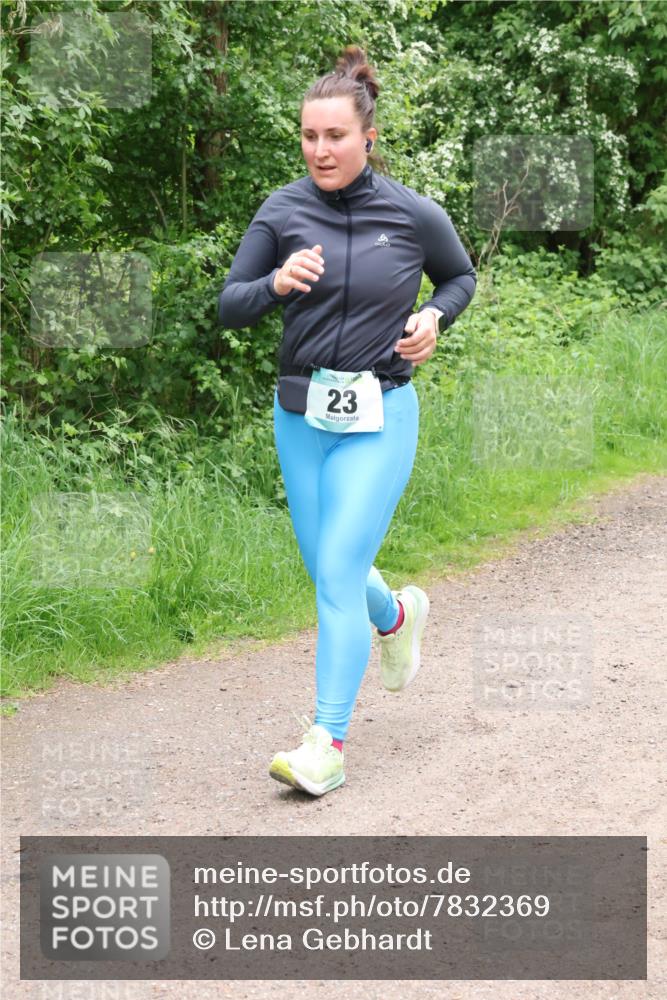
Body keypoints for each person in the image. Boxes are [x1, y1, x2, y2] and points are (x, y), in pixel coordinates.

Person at [218, 45, 477, 797]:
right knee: (329, 566)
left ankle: (324, 743)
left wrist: (434, 314)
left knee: (334, 569)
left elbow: (459, 275)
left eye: (335, 136)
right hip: (299, 415)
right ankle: (394, 617)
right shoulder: (281, 210)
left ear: (367, 137)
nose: (321, 150)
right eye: (309, 137)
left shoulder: (411, 213)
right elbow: (230, 305)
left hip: (379, 412)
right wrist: (272, 282)